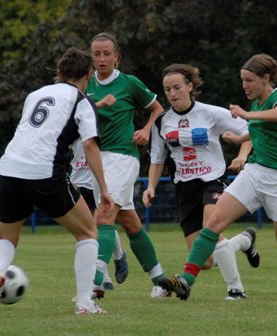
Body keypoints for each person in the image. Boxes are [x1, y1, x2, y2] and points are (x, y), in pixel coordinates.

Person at [158, 53, 277, 300]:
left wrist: (246, 115)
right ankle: (186, 280)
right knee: (214, 223)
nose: (244, 85)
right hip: (254, 173)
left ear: (265, 78)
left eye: (249, 80)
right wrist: (241, 138)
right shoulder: (257, 105)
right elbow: (260, 131)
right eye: (242, 80)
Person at [0, 47, 112, 316]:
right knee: (87, 233)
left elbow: (24, 135)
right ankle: (85, 304)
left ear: (59, 73)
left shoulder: (35, 95)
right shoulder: (81, 100)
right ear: (88, 75)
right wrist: (105, 190)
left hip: (8, 170)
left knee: (6, 237)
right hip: (44, 172)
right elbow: (89, 144)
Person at [142, 63, 260, 300]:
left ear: (190, 86)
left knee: (212, 229)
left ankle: (236, 290)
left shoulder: (211, 113)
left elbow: (251, 130)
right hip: (185, 188)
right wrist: (151, 186)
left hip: (212, 180)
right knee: (205, 260)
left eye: (177, 87)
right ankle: (244, 242)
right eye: (167, 90)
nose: (173, 93)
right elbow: (157, 158)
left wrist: (241, 155)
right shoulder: (161, 121)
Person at [87, 32, 168, 298]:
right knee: (130, 223)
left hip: (123, 156)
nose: (101, 58)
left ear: (116, 57)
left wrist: (145, 130)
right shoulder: (86, 86)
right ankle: (160, 281)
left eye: (106, 53)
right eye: (96, 54)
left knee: (104, 214)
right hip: (98, 159)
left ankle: (94, 282)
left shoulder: (129, 83)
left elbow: (158, 109)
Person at [69, 140, 128, 291]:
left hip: (100, 183)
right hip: (79, 183)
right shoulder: (72, 124)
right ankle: (118, 255)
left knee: (98, 228)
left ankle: (103, 278)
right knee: (89, 233)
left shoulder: (101, 126)